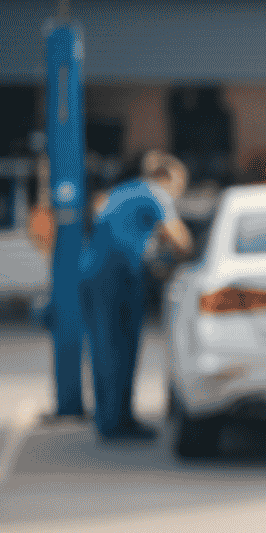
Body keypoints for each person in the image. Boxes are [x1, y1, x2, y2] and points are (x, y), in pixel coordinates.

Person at [79, 150, 194, 440]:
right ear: (166, 177)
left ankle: (108, 419)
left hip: (93, 272)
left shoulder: (122, 191)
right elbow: (180, 241)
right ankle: (120, 423)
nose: (178, 193)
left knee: (104, 347)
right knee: (123, 348)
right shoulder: (155, 194)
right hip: (119, 275)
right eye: (179, 186)